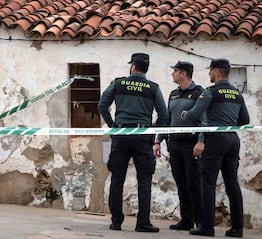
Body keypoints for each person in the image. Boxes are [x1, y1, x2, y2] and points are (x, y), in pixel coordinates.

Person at [98, 53, 168, 233]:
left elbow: (102, 105)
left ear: (133, 67)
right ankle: (142, 222)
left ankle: (116, 221)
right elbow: (164, 115)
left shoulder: (119, 83)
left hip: (120, 134)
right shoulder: (153, 88)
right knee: (144, 179)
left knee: (117, 179)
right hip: (142, 136)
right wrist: (152, 133)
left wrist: (113, 126)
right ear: (146, 68)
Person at [181, 59, 250, 237]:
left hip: (215, 141)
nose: (209, 74)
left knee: (208, 184)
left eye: (211, 71)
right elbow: (245, 120)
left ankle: (207, 227)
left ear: (217, 72)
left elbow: (194, 114)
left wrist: (184, 114)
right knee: (232, 184)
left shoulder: (210, 92)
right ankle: (237, 228)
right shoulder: (236, 93)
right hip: (232, 140)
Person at [153, 61, 203, 230]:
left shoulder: (198, 93)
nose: (172, 74)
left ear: (183, 73)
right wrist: (158, 140)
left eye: (174, 71)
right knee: (181, 182)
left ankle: (200, 221)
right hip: (174, 143)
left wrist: (201, 140)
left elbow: (205, 120)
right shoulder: (173, 94)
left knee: (193, 183)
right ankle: (186, 219)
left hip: (191, 143)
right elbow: (166, 119)